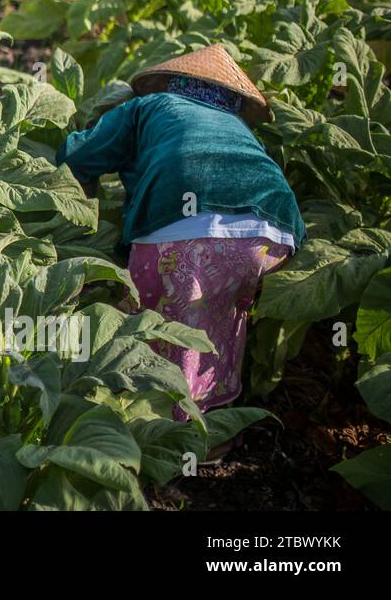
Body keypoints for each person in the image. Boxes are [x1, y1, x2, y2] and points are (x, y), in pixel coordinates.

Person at [57, 44, 305, 427]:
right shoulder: (234, 125)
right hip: (274, 233)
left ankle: (167, 430)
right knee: (218, 322)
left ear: (171, 83)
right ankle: (215, 432)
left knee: (150, 328)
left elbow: (80, 157)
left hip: (188, 231)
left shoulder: (149, 106)